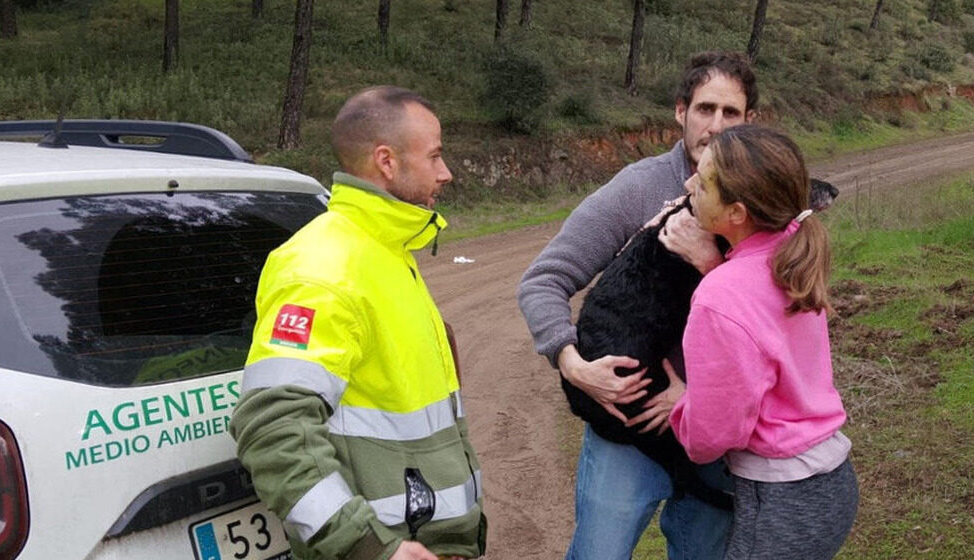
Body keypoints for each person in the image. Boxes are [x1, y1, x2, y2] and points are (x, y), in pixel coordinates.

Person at [517, 51, 758, 559]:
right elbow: (543, 280)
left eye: (730, 113)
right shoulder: (638, 188)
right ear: (681, 112)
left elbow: (775, 318)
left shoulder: (763, 200)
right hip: (627, 430)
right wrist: (572, 364)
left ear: (750, 120)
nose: (716, 126)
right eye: (705, 109)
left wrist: (694, 395)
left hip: (713, 426)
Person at [230, 87, 485, 560]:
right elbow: (272, 431)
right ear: (386, 161)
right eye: (434, 156)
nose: (446, 172)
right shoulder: (324, 269)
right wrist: (367, 545)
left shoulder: (385, 252)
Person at [650, 124, 856, 560]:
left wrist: (682, 404)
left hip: (781, 502)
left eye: (703, 182)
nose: (689, 184)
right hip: (832, 480)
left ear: (737, 213)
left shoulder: (720, 296)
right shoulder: (791, 251)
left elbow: (711, 437)